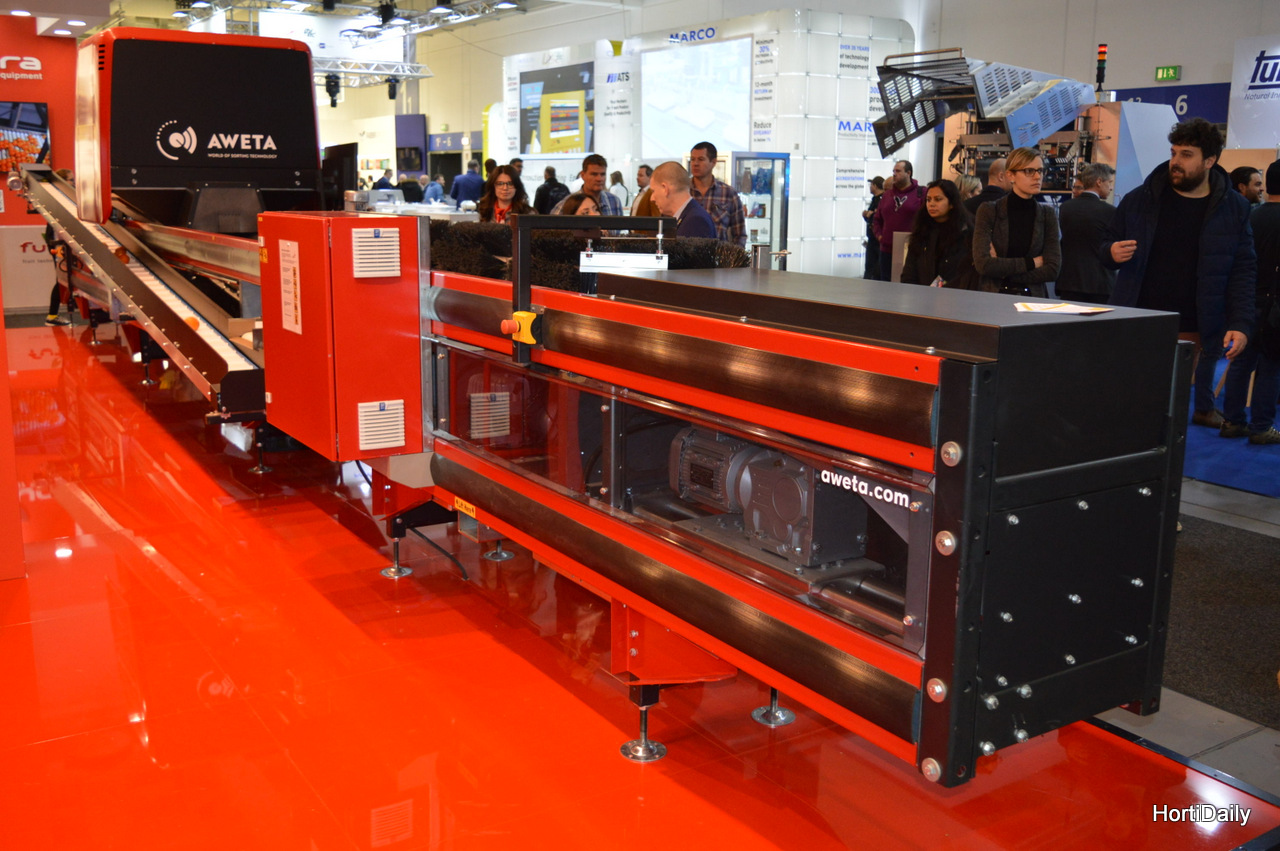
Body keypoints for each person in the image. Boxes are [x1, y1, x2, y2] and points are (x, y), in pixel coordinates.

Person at [1104, 117, 1256, 429]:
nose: (1176, 161)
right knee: (1131, 405)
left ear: (1209, 161)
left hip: (1198, 321)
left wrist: (1240, 323)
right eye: (1174, 152)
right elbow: (1106, 243)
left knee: (1171, 410)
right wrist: (1111, 252)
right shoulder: (1141, 199)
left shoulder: (1234, 208)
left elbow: (1243, 269)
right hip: (1141, 317)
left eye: (1186, 155)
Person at [1219, 159, 1280, 445]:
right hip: (1274, 304)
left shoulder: (1251, 215)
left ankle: (1232, 421)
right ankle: (1261, 426)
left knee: (1242, 362)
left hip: (1245, 299)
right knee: (1271, 365)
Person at [972, 146, 1061, 297]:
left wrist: (1004, 272)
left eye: (1040, 171)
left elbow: (1053, 269)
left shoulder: (1047, 214)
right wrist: (1032, 263)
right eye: (1029, 171)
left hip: (1033, 299)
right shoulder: (990, 210)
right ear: (1010, 175)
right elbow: (984, 264)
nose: (1037, 177)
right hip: (994, 297)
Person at [1056, 162, 1117, 305]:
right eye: (1109, 182)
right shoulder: (1110, 211)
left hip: (1069, 282)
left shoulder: (1065, 207)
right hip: (1100, 285)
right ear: (1099, 182)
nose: (1111, 187)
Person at [900, 179, 976, 289]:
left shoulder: (965, 233)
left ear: (951, 203)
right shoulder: (922, 231)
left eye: (938, 199)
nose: (931, 204)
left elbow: (960, 272)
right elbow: (909, 270)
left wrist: (936, 290)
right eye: (928, 200)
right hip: (920, 294)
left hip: (953, 294)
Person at [872, 159, 925, 280]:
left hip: (910, 251)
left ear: (908, 173)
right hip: (887, 250)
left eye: (898, 171)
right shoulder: (887, 195)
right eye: (893, 171)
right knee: (886, 285)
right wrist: (880, 236)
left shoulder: (921, 193)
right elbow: (877, 219)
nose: (894, 174)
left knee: (908, 284)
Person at [688, 141, 746, 246]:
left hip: (718, 253)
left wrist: (733, 255)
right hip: (685, 253)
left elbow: (740, 235)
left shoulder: (728, 193)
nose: (695, 163)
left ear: (713, 162)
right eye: (692, 159)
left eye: (701, 159)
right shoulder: (682, 191)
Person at [648, 161, 716, 238]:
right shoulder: (687, 217)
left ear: (665, 189)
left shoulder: (695, 221)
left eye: (653, 191)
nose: (652, 198)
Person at [550, 154, 623, 216]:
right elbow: (552, 227)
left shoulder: (614, 202)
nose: (599, 179)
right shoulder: (566, 205)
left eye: (603, 174)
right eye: (594, 174)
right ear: (583, 175)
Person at [862, 176, 884, 279]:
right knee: (869, 267)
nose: (870, 187)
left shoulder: (882, 200)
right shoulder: (874, 199)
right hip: (872, 239)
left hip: (878, 240)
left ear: (875, 186)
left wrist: (871, 214)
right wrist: (867, 215)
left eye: (871, 185)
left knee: (877, 270)